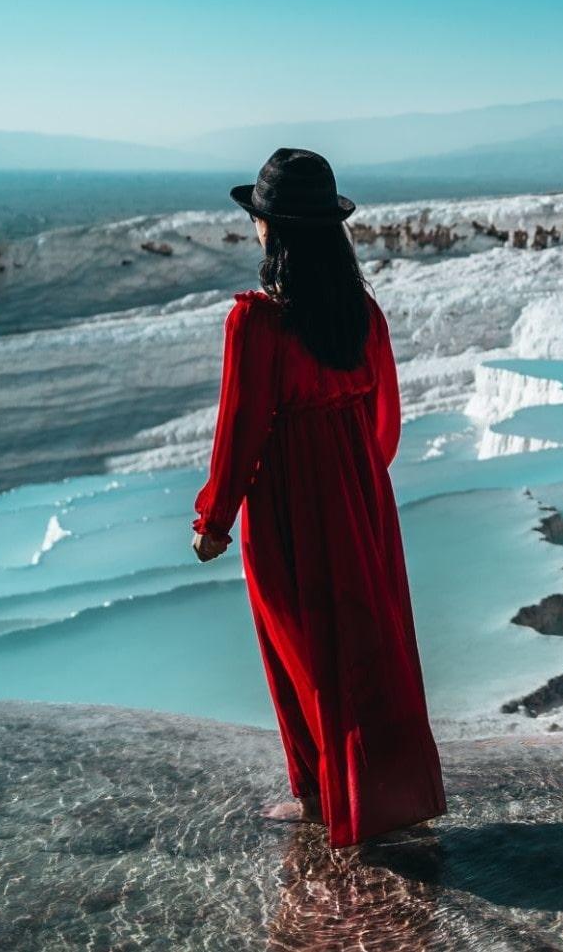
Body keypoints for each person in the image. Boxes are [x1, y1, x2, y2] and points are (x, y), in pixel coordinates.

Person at [191, 147, 447, 847]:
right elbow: (386, 423)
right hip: (362, 501)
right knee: (371, 643)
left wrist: (214, 520)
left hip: (287, 509)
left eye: (259, 220)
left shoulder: (257, 323)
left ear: (271, 230)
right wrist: (357, 479)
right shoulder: (362, 314)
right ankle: (387, 794)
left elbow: (238, 430)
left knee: (297, 650)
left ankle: (318, 796)